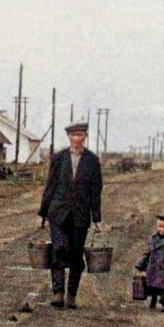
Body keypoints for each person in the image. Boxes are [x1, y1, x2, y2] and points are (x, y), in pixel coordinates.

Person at [38, 121, 103, 309]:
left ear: (85, 137)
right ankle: (58, 293)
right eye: (74, 135)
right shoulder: (59, 158)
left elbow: (95, 190)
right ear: (69, 137)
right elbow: (50, 186)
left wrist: (96, 218)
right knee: (59, 249)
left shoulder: (92, 160)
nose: (77, 138)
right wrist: (43, 213)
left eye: (80, 135)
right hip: (58, 213)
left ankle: (71, 295)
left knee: (75, 254)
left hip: (80, 215)